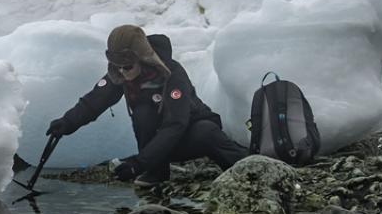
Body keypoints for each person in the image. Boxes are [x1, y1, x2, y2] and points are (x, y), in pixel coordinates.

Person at [46, 25, 247, 186]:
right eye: (117, 66)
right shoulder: (121, 73)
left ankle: (247, 167)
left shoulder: (172, 74)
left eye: (127, 66)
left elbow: (176, 125)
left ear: (142, 58)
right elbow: (95, 100)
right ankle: (156, 172)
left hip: (186, 133)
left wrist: (138, 163)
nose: (122, 72)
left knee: (206, 131)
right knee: (143, 114)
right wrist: (67, 122)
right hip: (157, 145)